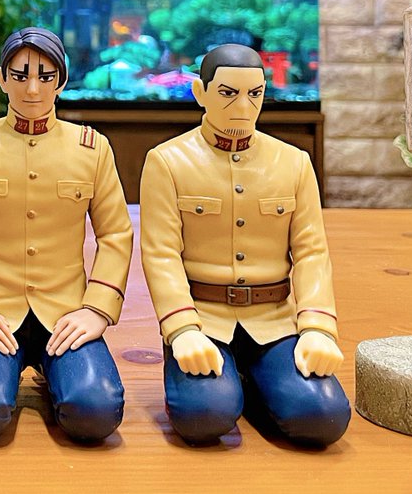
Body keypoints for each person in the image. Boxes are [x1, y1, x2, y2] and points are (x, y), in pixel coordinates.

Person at [0, 27, 133, 444]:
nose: (33, 88)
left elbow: (115, 234)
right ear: (2, 78)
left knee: (96, 412)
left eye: (45, 75)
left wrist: (97, 308)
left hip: (66, 312)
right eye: (20, 76)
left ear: (61, 80)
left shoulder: (91, 148)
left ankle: (55, 371)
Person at [140, 43, 350, 447]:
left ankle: (256, 383)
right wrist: (181, 329)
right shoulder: (168, 162)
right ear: (200, 93)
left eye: (254, 93)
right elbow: (161, 254)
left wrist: (318, 328)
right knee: (204, 416)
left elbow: (311, 252)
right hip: (204, 319)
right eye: (227, 93)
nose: (243, 106)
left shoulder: (293, 162)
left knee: (322, 417)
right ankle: (234, 387)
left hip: (274, 320)